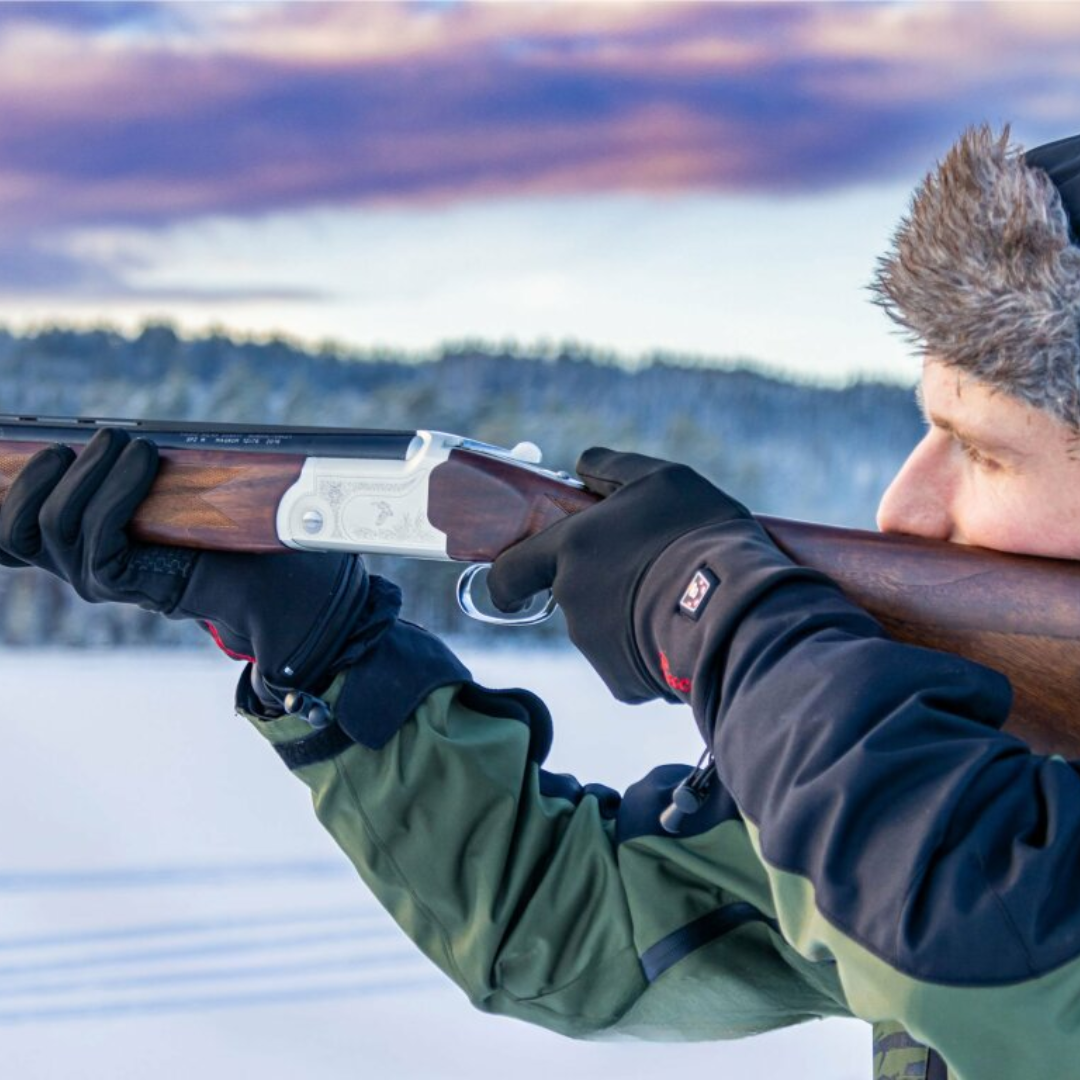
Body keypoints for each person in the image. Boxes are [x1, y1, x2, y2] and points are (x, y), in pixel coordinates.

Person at [2, 123, 1078, 1080]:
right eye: (927, 429)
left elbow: (976, 942)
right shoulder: (983, 765)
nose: (903, 506)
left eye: (983, 454)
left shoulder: (937, 821)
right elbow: (568, 932)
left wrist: (727, 613)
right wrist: (328, 652)